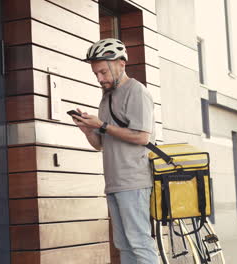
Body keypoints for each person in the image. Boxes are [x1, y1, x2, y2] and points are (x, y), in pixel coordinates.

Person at [71, 38, 158, 264]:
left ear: (121, 63)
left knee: (139, 243)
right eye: (96, 74)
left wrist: (101, 125)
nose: (100, 79)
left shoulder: (136, 91)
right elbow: (101, 144)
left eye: (103, 72)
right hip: (114, 182)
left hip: (134, 181)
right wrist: (87, 130)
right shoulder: (107, 97)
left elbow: (142, 136)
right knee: (124, 247)